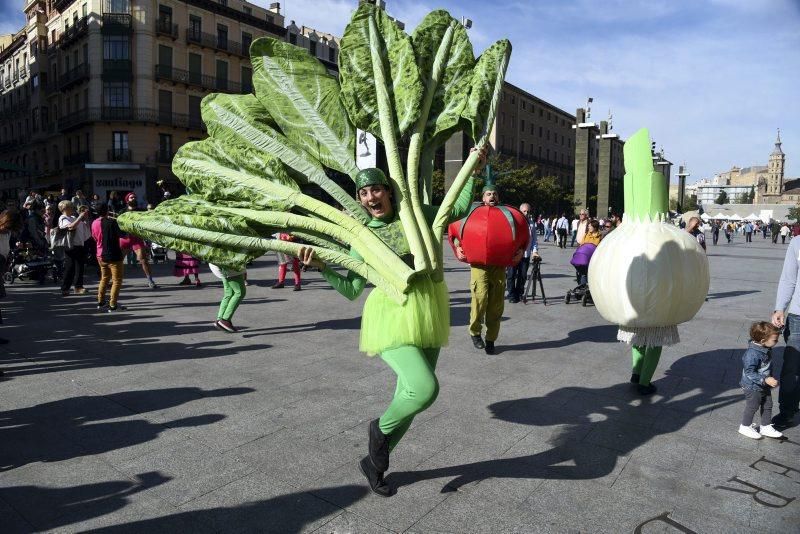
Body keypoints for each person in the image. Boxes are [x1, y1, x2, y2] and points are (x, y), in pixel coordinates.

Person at [299, 152, 486, 497]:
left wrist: (473, 171)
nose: (371, 198)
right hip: (390, 315)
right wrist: (323, 267)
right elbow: (352, 290)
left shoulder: (415, 215)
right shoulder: (363, 237)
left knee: (408, 396)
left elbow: (456, 210)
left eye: (375, 190)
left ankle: (374, 464)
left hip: (429, 309)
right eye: (364, 193)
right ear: (359, 200)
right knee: (424, 388)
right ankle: (379, 430)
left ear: (388, 191)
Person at [463, 182, 525, 354]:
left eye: (495, 194)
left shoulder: (507, 215)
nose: (492, 196)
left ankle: (491, 339)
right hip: (479, 266)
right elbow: (458, 229)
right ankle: (475, 332)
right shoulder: (472, 214)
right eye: (488, 194)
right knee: (480, 298)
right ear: (482, 198)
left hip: (498, 265)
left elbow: (522, 234)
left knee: (496, 306)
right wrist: (457, 245)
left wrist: (521, 250)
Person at [770, 235, 800, 429]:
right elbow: (789, 278)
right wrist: (780, 307)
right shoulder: (797, 243)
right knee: (792, 366)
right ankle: (787, 411)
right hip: (798, 315)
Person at [738, 322, 783, 439]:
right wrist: (766, 379)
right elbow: (749, 372)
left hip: (763, 384)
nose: (777, 342)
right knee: (752, 406)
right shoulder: (752, 354)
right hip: (752, 386)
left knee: (768, 405)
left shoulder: (764, 347)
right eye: (775, 340)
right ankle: (745, 426)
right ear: (763, 341)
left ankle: (765, 426)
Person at [119, 193, 158, 288]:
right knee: (118, 261)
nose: (134, 198)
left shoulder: (141, 211)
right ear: (127, 200)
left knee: (144, 260)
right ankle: (116, 280)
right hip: (124, 239)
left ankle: (150, 280)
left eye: (135, 197)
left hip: (136, 239)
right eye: (131, 197)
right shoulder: (122, 211)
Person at [91, 204, 125, 311]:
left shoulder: (94, 222)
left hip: (100, 253)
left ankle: (101, 301)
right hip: (112, 254)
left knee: (104, 278)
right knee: (117, 280)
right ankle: (113, 304)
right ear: (107, 211)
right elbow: (123, 235)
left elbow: (94, 238)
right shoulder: (111, 222)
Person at [506, 203, 539, 303]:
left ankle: (519, 293)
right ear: (520, 211)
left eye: (528, 211)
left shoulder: (532, 224)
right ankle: (511, 294)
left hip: (526, 254)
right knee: (511, 275)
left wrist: (535, 251)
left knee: (523, 275)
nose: (526, 213)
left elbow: (534, 240)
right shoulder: (514, 223)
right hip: (514, 254)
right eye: (524, 211)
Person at [57, 200, 90, 297]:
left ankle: (78, 287)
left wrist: (86, 218)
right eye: (70, 207)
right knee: (70, 267)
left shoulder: (73, 217)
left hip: (80, 244)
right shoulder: (63, 218)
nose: (73, 208)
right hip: (70, 245)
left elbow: (85, 228)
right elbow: (70, 227)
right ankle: (65, 288)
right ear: (64, 209)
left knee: (80, 267)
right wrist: (80, 217)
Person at [209, 263, 247, 332]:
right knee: (240, 292)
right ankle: (225, 320)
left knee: (229, 293)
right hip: (230, 267)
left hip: (219, 265)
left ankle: (220, 319)